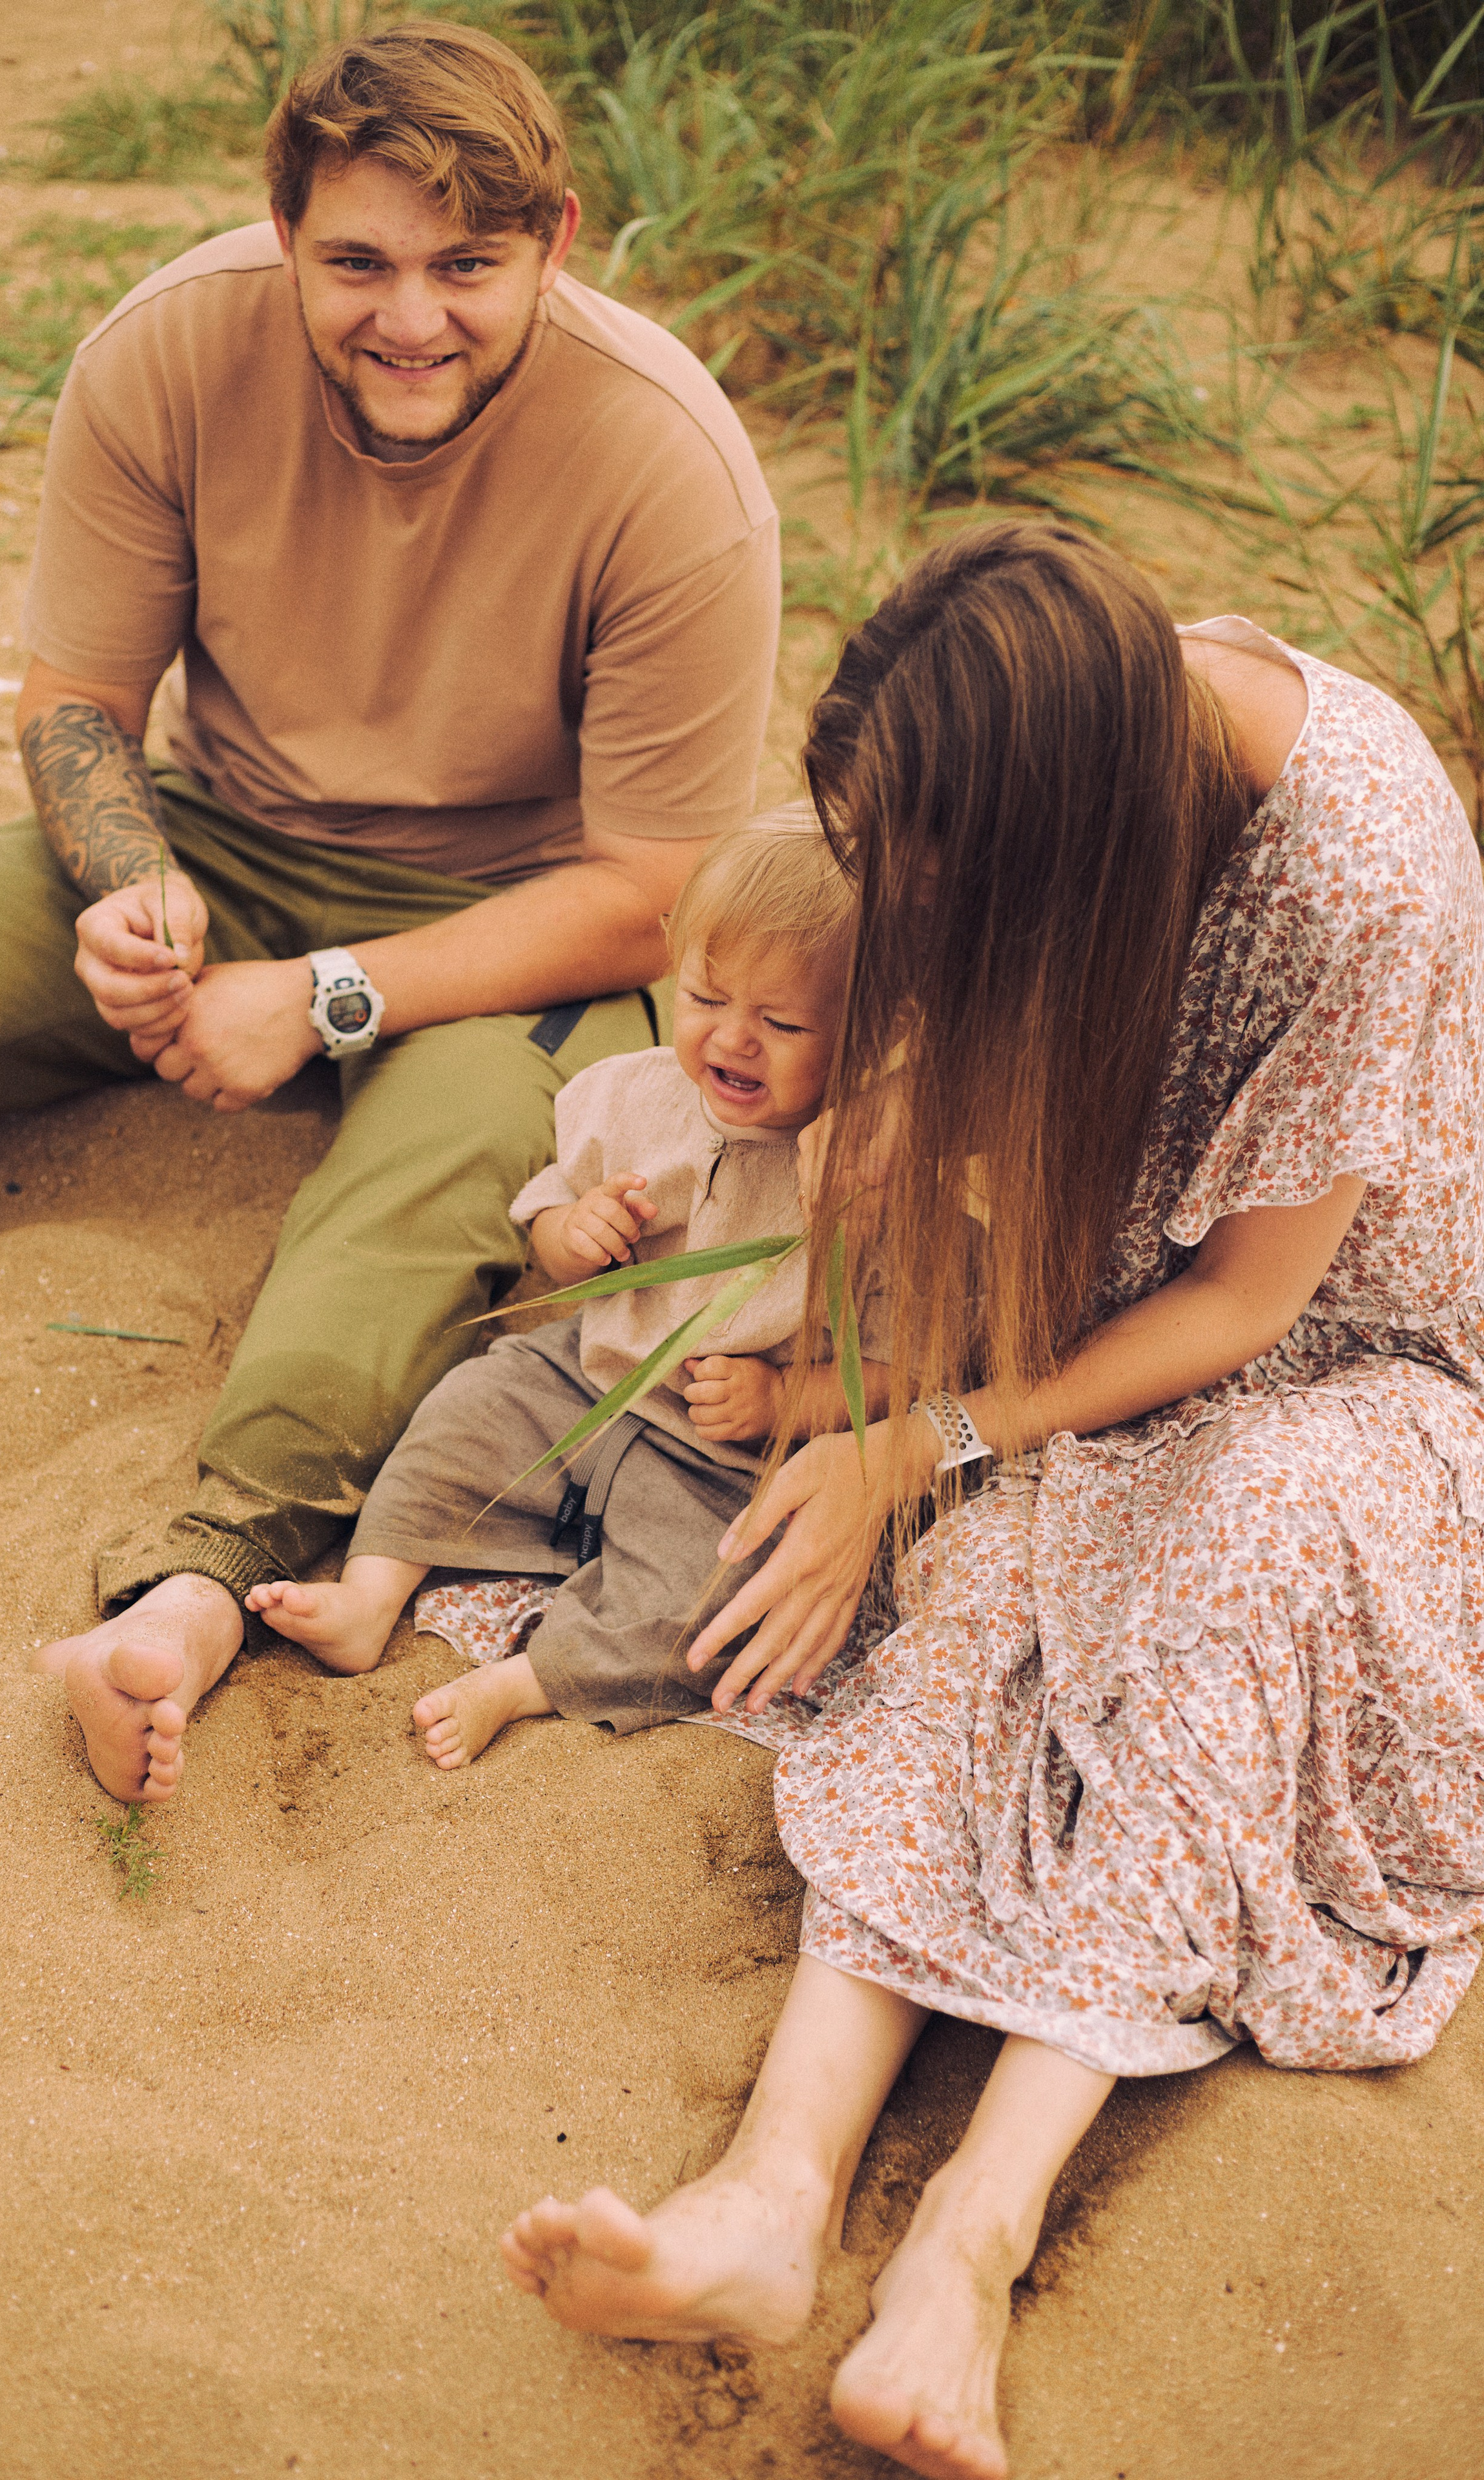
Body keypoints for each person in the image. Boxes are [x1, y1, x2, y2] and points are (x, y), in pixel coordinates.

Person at [498, 521, 1484, 2479]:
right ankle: (773, 2200)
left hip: (1357, 1375)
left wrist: (927, 1435)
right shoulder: (1071, 726)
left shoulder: (1365, 870)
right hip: (1109, 1336)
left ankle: (970, 2239)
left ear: (1060, 844)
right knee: (982, 1614)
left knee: (1234, 1578)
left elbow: (1252, 1304)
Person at [0, 23, 779, 1806]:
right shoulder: (166, 352)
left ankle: (192, 1583)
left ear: (555, 243)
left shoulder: (671, 467)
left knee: (432, 1193)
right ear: (283, 231)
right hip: (226, 829)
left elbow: (657, 900)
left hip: (525, 915)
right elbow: (76, 697)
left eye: (466, 268)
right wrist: (135, 889)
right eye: (356, 262)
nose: (408, 317)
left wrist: (326, 997)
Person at [243, 816, 896, 1766]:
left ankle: (528, 1683)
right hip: (584, 1374)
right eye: (706, 996)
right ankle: (370, 1595)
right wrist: (576, 1236)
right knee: (464, 1410)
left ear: (867, 1033)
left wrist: (784, 1399)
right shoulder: (630, 1096)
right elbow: (547, 1222)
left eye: (783, 1023)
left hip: (726, 1463)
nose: (732, 1038)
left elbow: (902, 1367)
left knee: (721, 1603)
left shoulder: (869, 1179)